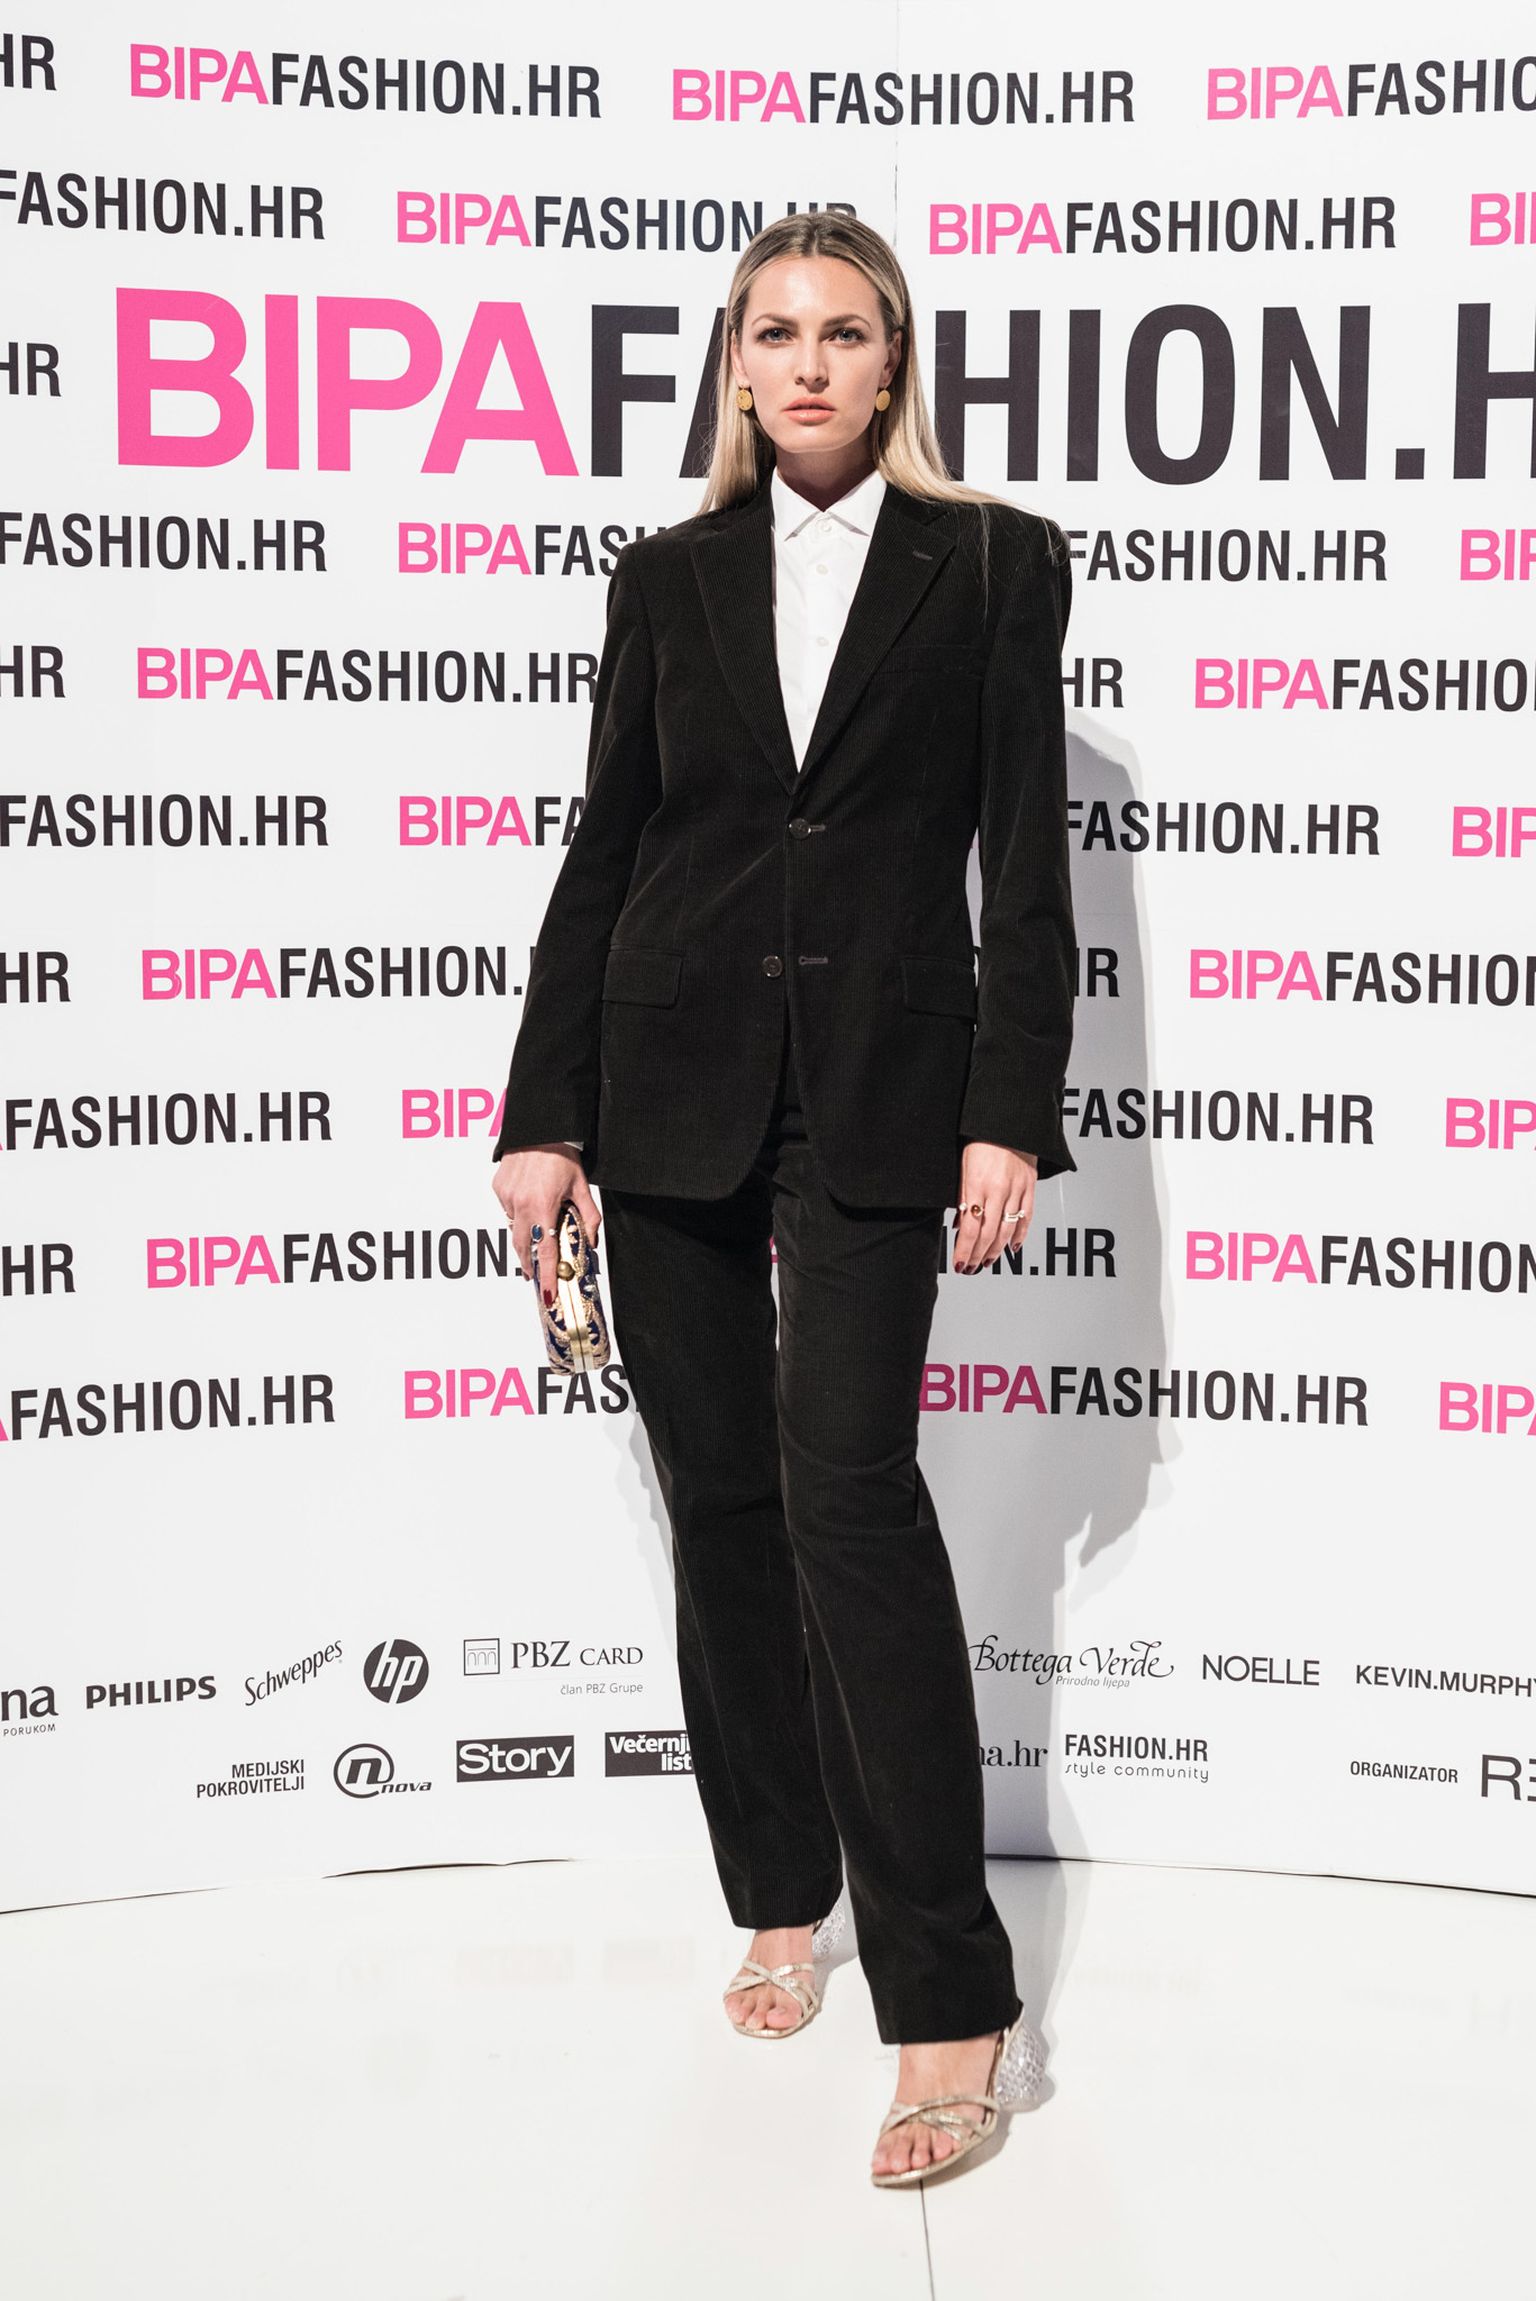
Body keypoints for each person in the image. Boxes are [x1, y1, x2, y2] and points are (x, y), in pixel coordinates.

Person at [489, 211, 1075, 2186]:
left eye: (845, 332)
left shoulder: (995, 563)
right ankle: (775, 1879)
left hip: (888, 1095)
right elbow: (609, 843)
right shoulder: (664, 578)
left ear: (895, 361)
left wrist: (1009, 1109)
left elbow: (1027, 863)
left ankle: (951, 1997)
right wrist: (542, 1111)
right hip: (664, 1073)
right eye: (776, 332)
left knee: (849, 1496)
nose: (810, 363)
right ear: (735, 365)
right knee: (722, 1498)